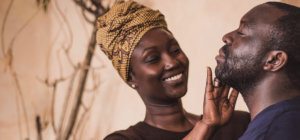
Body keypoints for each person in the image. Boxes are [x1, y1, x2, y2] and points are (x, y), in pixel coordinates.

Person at [96, 0, 250, 140]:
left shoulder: (237, 124)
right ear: (131, 78)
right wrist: (206, 126)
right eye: (153, 59)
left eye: (175, 50)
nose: (172, 62)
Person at [215, 2, 300, 140]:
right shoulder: (288, 122)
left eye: (242, 32)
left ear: (274, 60)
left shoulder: (269, 133)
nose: (226, 37)